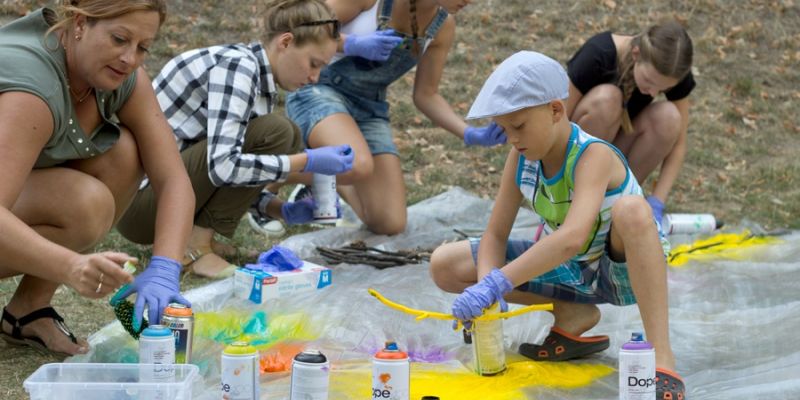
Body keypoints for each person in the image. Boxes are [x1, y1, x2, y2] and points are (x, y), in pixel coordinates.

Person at [429, 51, 686, 399]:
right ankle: (573, 313)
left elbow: (571, 237)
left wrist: (497, 282)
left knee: (633, 211)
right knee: (445, 265)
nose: (513, 139)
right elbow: (495, 232)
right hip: (571, 269)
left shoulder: (591, 154)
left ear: (555, 110)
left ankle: (663, 359)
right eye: (504, 130)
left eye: (518, 126)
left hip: (620, 270)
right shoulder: (519, 158)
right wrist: (485, 287)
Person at [0, 0, 194, 357]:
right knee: (85, 202)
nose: (130, 58)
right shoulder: (32, 90)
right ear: (78, 23)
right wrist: (71, 265)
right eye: (119, 39)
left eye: (142, 47)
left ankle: (28, 312)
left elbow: (173, 180)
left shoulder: (120, 78)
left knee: (123, 153)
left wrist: (167, 266)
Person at [117, 0, 354, 279]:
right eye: (313, 64)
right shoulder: (238, 67)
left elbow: (230, 176)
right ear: (286, 42)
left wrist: (280, 210)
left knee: (281, 132)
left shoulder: (256, 78)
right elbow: (224, 167)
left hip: (161, 199)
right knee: (276, 132)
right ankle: (193, 249)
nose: (314, 77)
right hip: (136, 204)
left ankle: (198, 239)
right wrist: (305, 161)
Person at [274, 0, 505, 236]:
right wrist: (351, 44)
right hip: (318, 89)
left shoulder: (442, 26)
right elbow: (299, 28)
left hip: (370, 108)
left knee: (389, 223)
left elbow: (426, 95)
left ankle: (323, 178)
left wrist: (468, 133)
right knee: (356, 164)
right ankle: (265, 171)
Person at [565, 21, 694, 225]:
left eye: (662, 90)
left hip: (616, 153)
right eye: (649, 81)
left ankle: (616, 202)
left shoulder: (672, 73)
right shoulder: (597, 54)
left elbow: (679, 144)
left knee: (669, 118)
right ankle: (572, 201)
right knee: (608, 100)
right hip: (574, 155)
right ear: (636, 54)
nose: (652, 93)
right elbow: (558, 119)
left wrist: (657, 200)